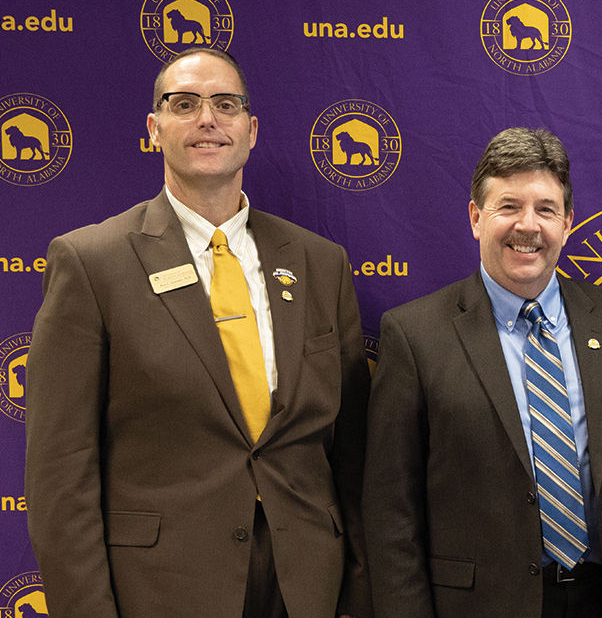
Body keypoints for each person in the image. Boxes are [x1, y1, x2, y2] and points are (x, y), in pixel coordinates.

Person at [24, 47, 371, 618]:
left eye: (225, 104)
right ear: (153, 128)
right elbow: (62, 474)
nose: (207, 119)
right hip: (161, 590)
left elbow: (354, 455)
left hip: (308, 584)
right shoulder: (92, 262)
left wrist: (360, 596)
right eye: (184, 104)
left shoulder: (320, 263)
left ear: (251, 129)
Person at [362, 127, 602, 618]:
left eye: (545, 209)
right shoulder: (414, 336)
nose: (527, 226)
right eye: (508, 206)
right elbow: (391, 514)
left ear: (568, 221)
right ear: (475, 217)